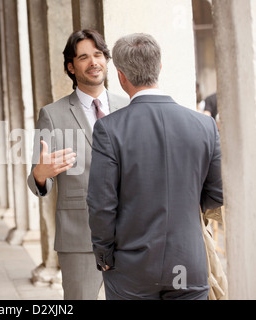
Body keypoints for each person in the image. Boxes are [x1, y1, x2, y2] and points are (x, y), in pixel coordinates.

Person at [87, 33, 223, 300]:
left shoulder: (108, 129)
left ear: (121, 76)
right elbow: (216, 195)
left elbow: (102, 204)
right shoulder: (205, 126)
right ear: (159, 68)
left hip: (132, 266)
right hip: (187, 262)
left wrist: (103, 254)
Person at [27, 29, 128, 300]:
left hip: (132, 234)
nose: (94, 62)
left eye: (98, 55)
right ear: (71, 67)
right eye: (84, 57)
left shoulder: (129, 106)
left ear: (107, 60)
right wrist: (40, 175)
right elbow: (38, 181)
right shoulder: (52, 114)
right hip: (79, 236)